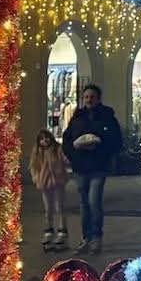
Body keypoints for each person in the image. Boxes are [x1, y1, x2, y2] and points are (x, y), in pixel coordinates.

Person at [62, 84, 122, 255]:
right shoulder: (77, 117)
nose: (88, 100)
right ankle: (85, 238)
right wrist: (73, 151)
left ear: (98, 99)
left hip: (98, 166)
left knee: (94, 201)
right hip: (80, 167)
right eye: (86, 97)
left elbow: (116, 141)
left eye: (92, 97)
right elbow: (67, 140)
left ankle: (96, 237)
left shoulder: (107, 116)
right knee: (83, 203)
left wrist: (99, 147)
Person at [29, 129, 70, 252]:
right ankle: (49, 230)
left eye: (46, 138)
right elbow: (34, 167)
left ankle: (62, 231)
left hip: (58, 182)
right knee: (48, 209)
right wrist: (37, 179)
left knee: (59, 207)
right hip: (44, 183)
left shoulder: (58, 149)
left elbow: (66, 160)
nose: (45, 141)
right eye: (41, 139)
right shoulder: (37, 152)